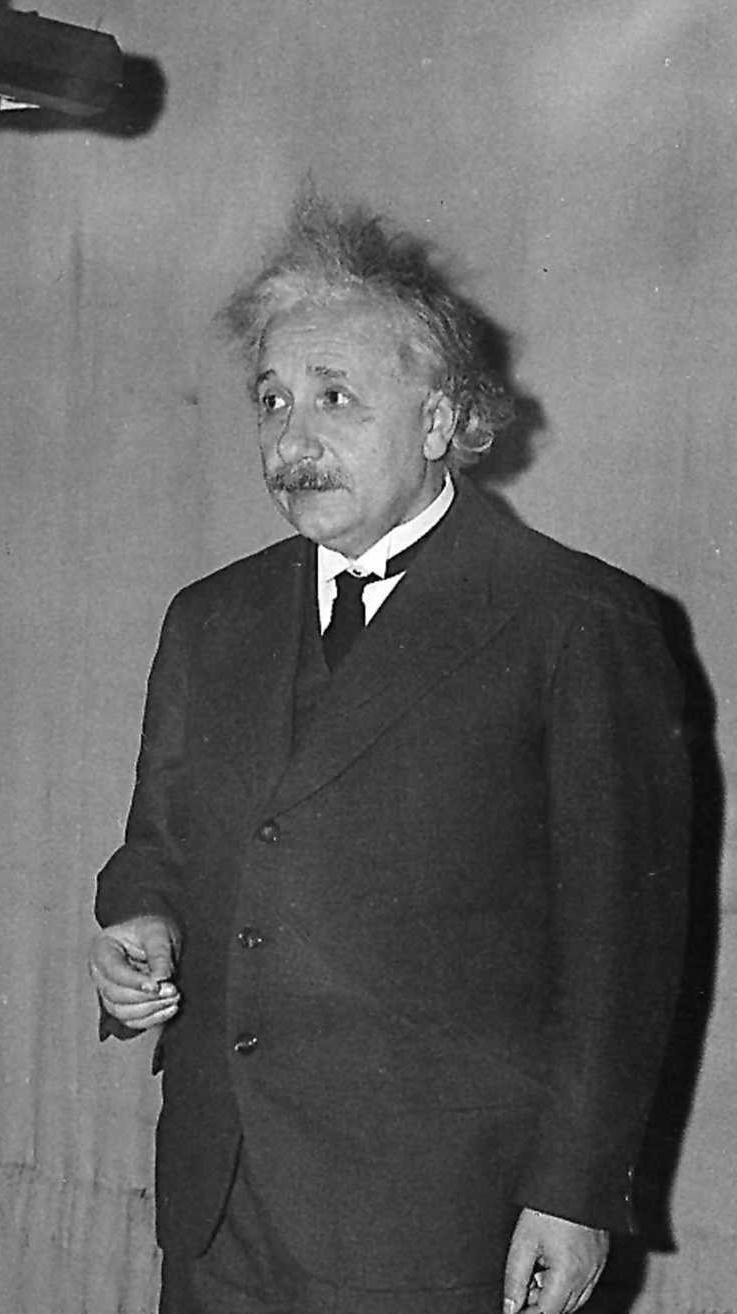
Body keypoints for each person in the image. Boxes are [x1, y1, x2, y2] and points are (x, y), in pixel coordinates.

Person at [88, 195, 692, 1314]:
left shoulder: (574, 621)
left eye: (334, 396)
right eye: (271, 399)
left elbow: (622, 948)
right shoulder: (209, 620)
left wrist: (573, 1193)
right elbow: (156, 846)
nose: (291, 439)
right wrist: (139, 922)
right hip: (219, 1205)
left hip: (439, 1218)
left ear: (439, 421)